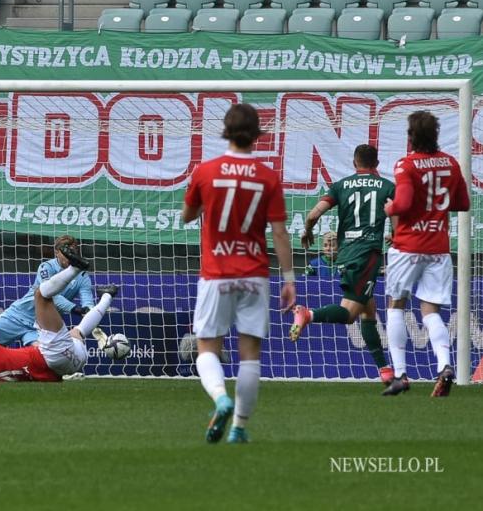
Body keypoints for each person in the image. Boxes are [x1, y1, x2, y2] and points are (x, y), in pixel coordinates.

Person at [182, 103, 296, 444]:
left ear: (226, 132)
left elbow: (187, 216)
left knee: (207, 348)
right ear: (257, 136)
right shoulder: (267, 176)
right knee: (250, 355)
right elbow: (279, 233)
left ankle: (220, 398)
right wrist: (289, 279)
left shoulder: (206, 171)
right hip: (254, 274)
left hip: (216, 273)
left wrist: (205, 200)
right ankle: (240, 428)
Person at [289, 145, 396, 386]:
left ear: (354, 163)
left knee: (369, 309)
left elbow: (314, 214)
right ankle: (307, 314)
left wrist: (307, 231)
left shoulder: (341, 186)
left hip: (346, 254)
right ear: (376, 163)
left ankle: (384, 369)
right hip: (367, 255)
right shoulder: (388, 187)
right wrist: (396, 235)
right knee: (349, 314)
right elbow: (396, 215)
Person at [0, 245, 118, 382]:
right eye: (65, 253)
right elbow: (51, 297)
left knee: (58, 338)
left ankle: (106, 295)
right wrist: (76, 309)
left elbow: (86, 299)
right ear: (57, 253)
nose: (68, 255)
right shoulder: (46, 267)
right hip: (17, 317)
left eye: (72, 253)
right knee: (42, 295)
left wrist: (86, 308)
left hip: (48, 337)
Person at [382, 111, 470, 397]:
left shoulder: (406, 165)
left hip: (407, 247)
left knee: (396, 305)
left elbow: (404, 203)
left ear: (410, 137)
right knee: (431, 311)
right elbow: (462, 202)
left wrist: (391, 208)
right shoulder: (451, 163)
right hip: (438, 248)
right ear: (436, 135)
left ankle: (400, 375)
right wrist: (434, 208)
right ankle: (444, 366)